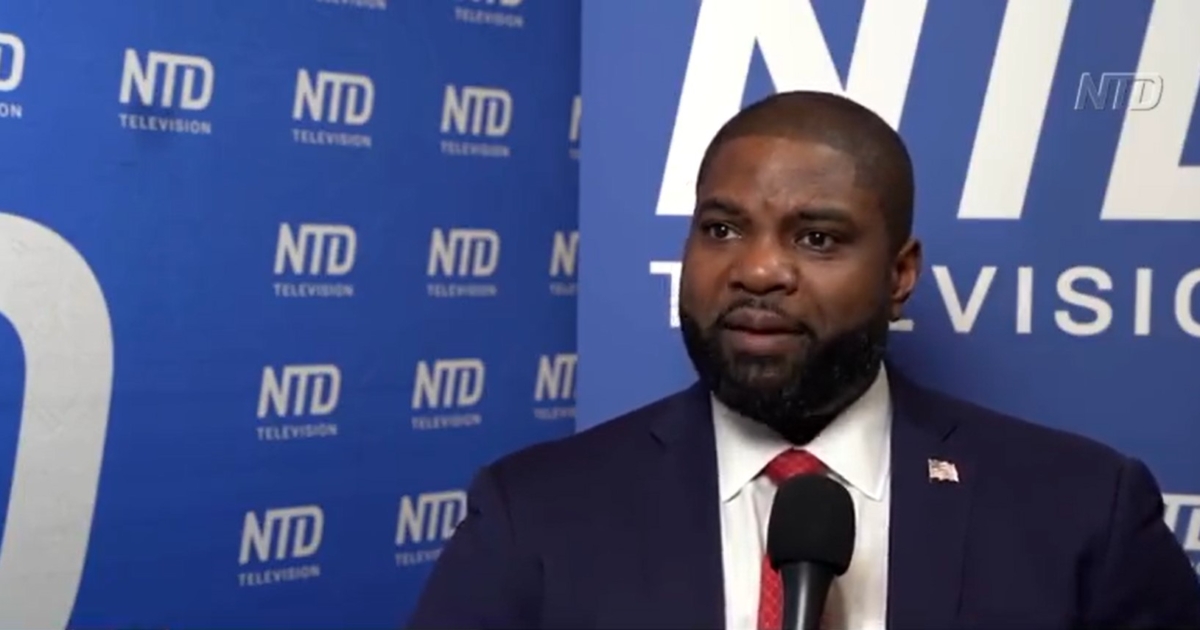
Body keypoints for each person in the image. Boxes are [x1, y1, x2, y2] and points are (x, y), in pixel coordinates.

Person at [407, 91, 1200, 629]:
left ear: (900, 275)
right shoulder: (533, 513)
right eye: (721, 229)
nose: (757, 270)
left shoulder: (1081, 511)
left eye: (817, 238)